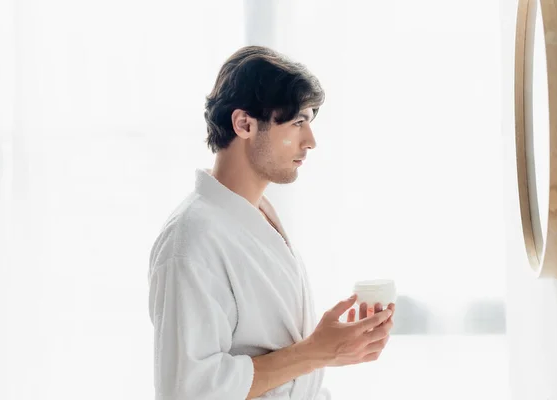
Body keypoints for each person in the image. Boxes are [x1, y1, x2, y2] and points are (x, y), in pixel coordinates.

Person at [148, 45, 395, 400]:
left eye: (309, 121)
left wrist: (338, 346)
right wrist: (315, 351)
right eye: (297, 122)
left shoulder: (258, 216)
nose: (310, 141)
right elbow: (190, 390)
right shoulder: (192, 239)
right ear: (244, 124)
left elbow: (271, 354)